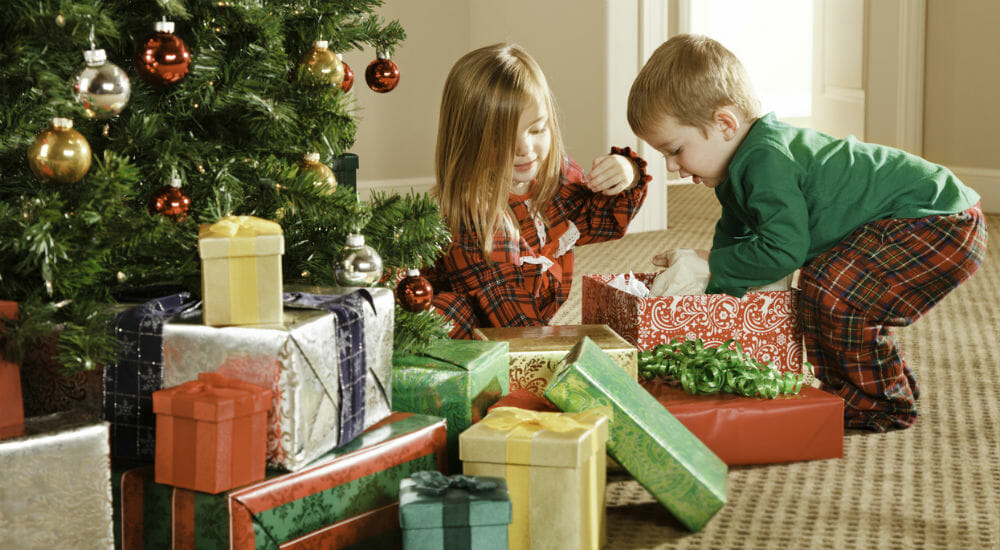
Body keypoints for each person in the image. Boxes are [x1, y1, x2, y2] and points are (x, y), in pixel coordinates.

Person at [627, 34, 987, 432]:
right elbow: (735, 243)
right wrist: (706, 292)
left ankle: (879, 403)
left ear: (725, 123)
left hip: (937, 220)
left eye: (675, 150)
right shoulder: (734, 174)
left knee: (834, 290)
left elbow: (782, 251)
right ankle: (865, 387)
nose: (672, 167)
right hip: (916, 219)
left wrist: (712, 263)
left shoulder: (767, 160)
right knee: (828, 286)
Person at [426, 43, 651, 339]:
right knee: (445, 318)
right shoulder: (474, 213)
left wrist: (626, 172)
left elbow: (602, 220)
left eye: (537, 130)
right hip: (478, 324)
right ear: (469, 141)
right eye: (502, 137)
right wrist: (550, 348)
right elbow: (508, 312)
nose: (525, 149)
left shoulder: (550, 174)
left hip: (522, 321)